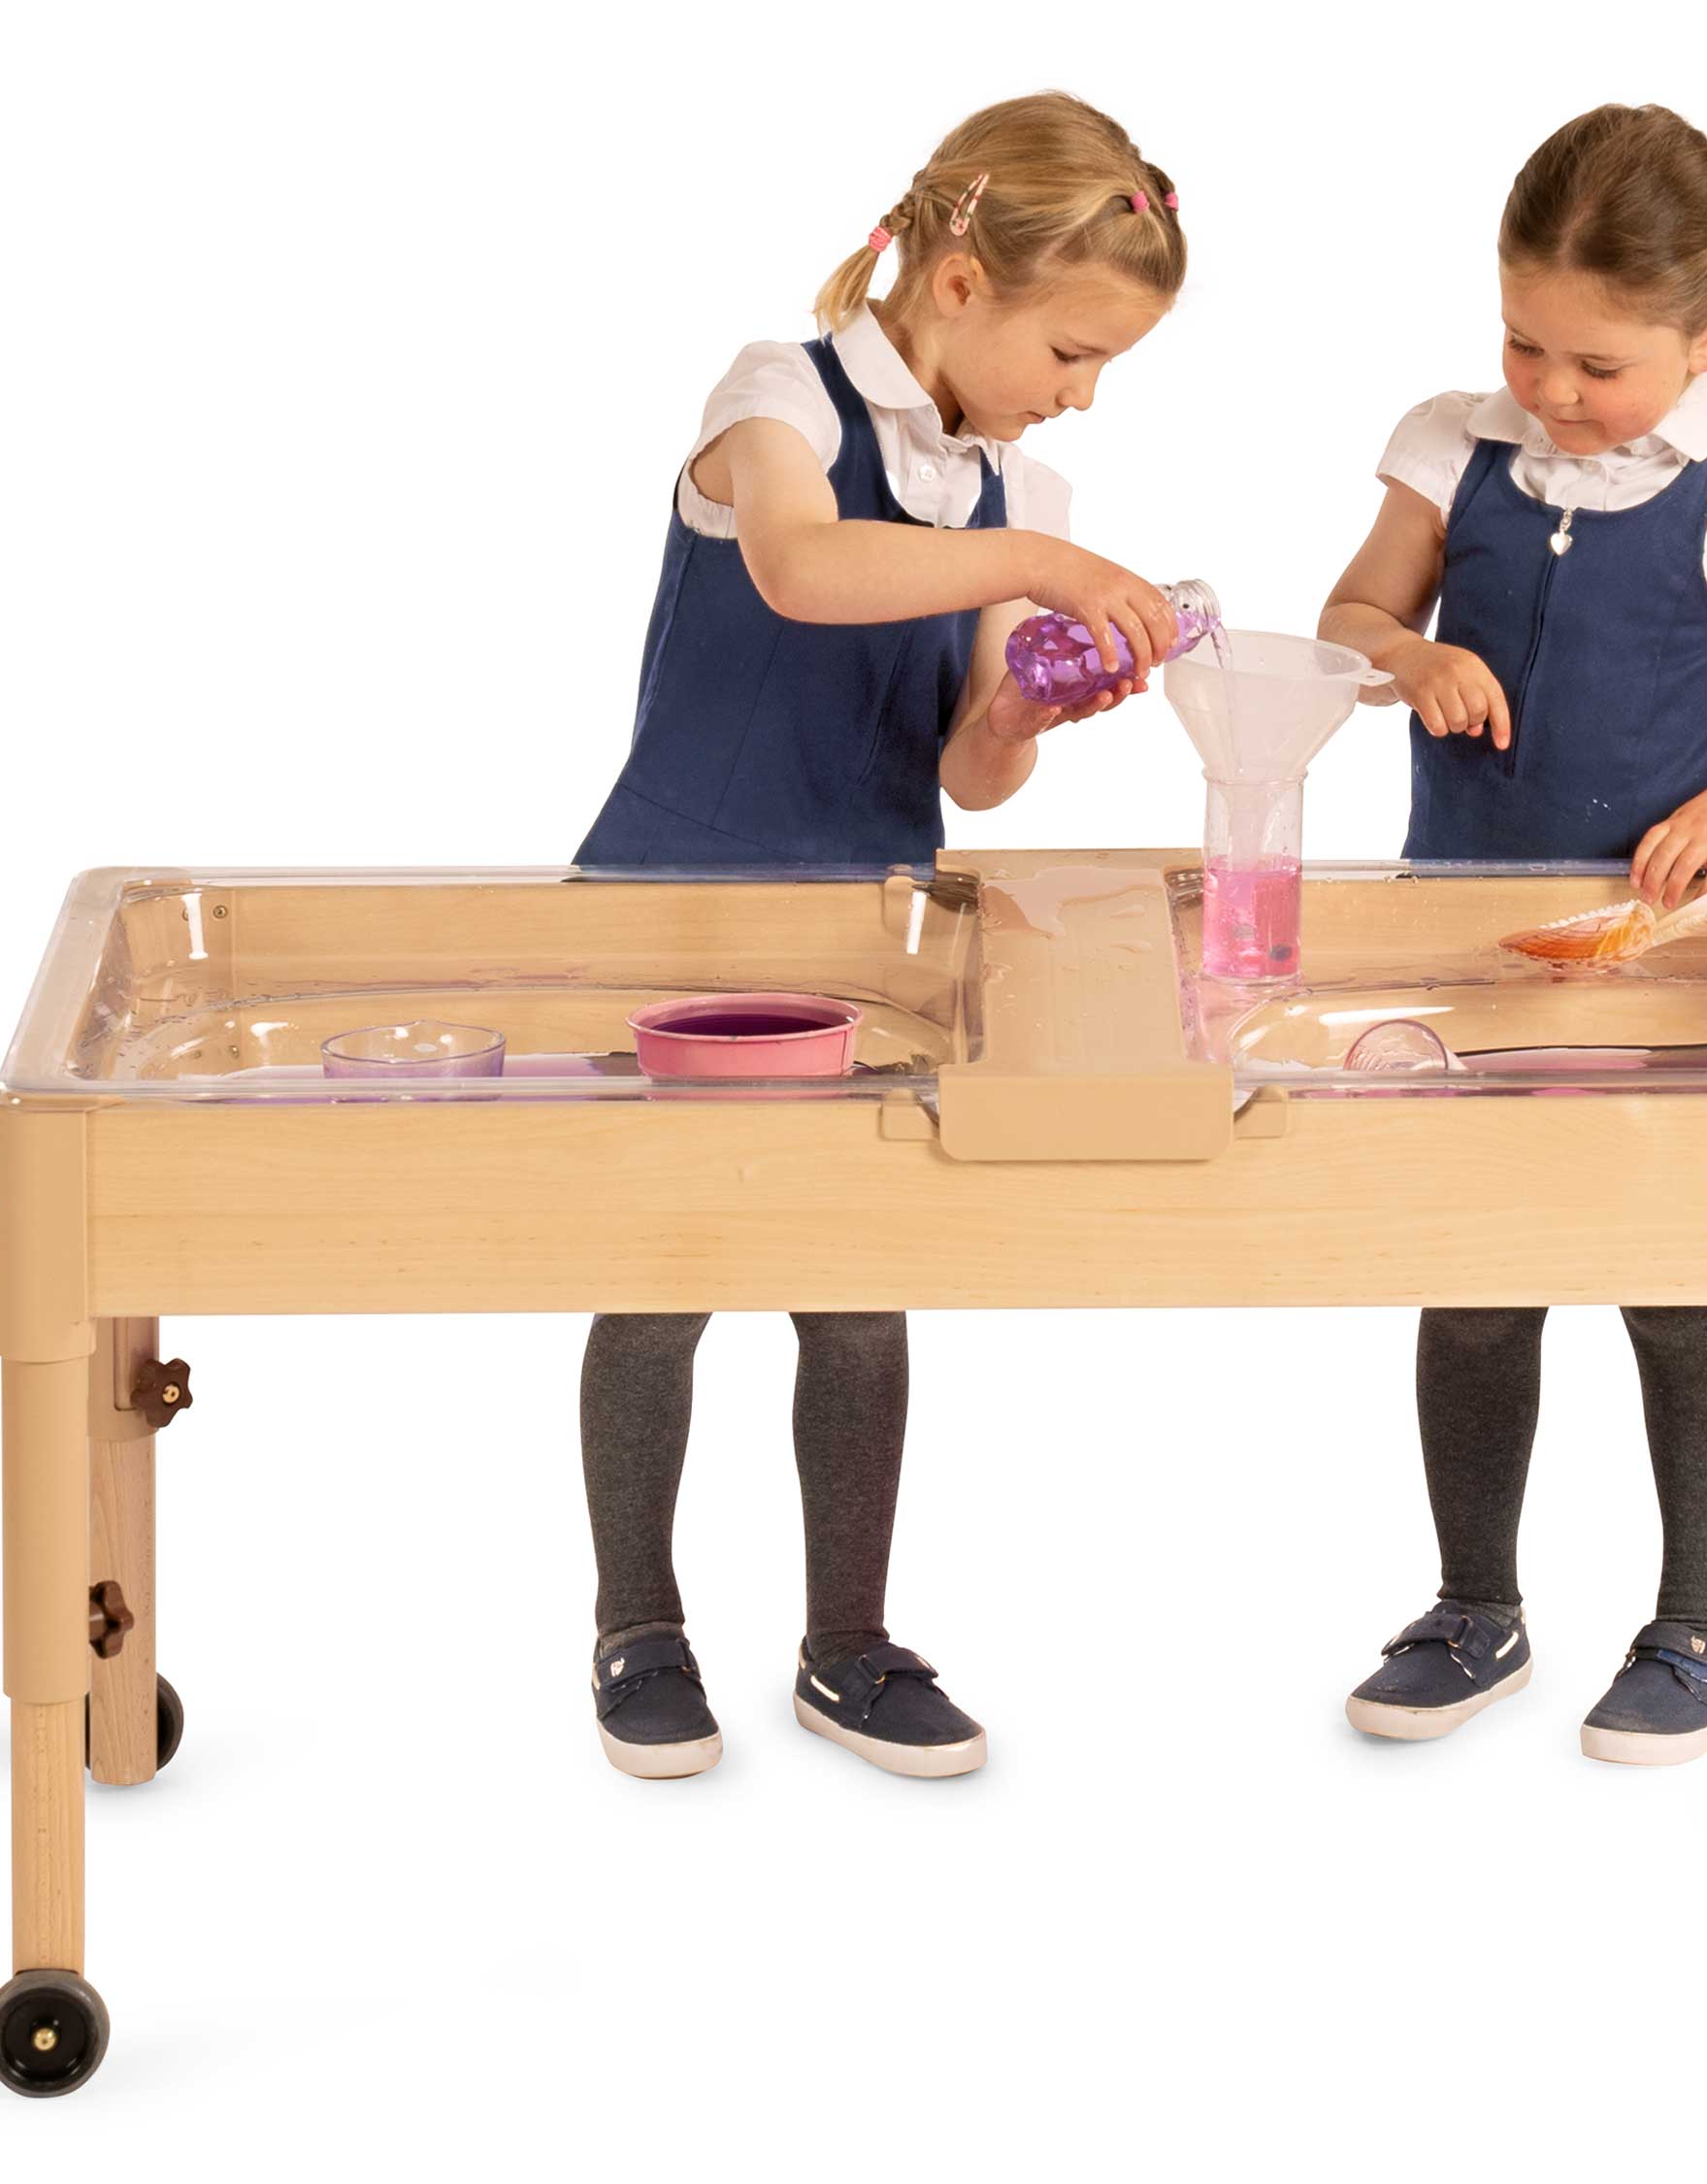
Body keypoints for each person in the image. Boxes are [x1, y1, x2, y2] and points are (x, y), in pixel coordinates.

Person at [576, 92, 1187, 1779]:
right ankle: (640, 1625)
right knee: (661, 1279)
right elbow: (796, 568)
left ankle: (847, 1639)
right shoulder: (781, 397)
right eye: (1073, 350)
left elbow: (968, 772)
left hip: (871, 922)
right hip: (681, 909)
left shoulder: (1012, 480)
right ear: (962, 281)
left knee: (859, 1286)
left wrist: (1031, 701)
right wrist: (1045, 557)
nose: (1079, 394)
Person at [1319, 104, 1707, 1764]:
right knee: (1477, 1281)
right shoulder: (1452, 441)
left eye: (1599, 365)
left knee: (1678, 1277)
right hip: (1471, 953)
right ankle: (1473, 1602)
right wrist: (1405, 658)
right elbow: (1354, 613)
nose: (1554, 393)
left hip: (1662, 960)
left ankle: (1706, 1621)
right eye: (1525, 345)